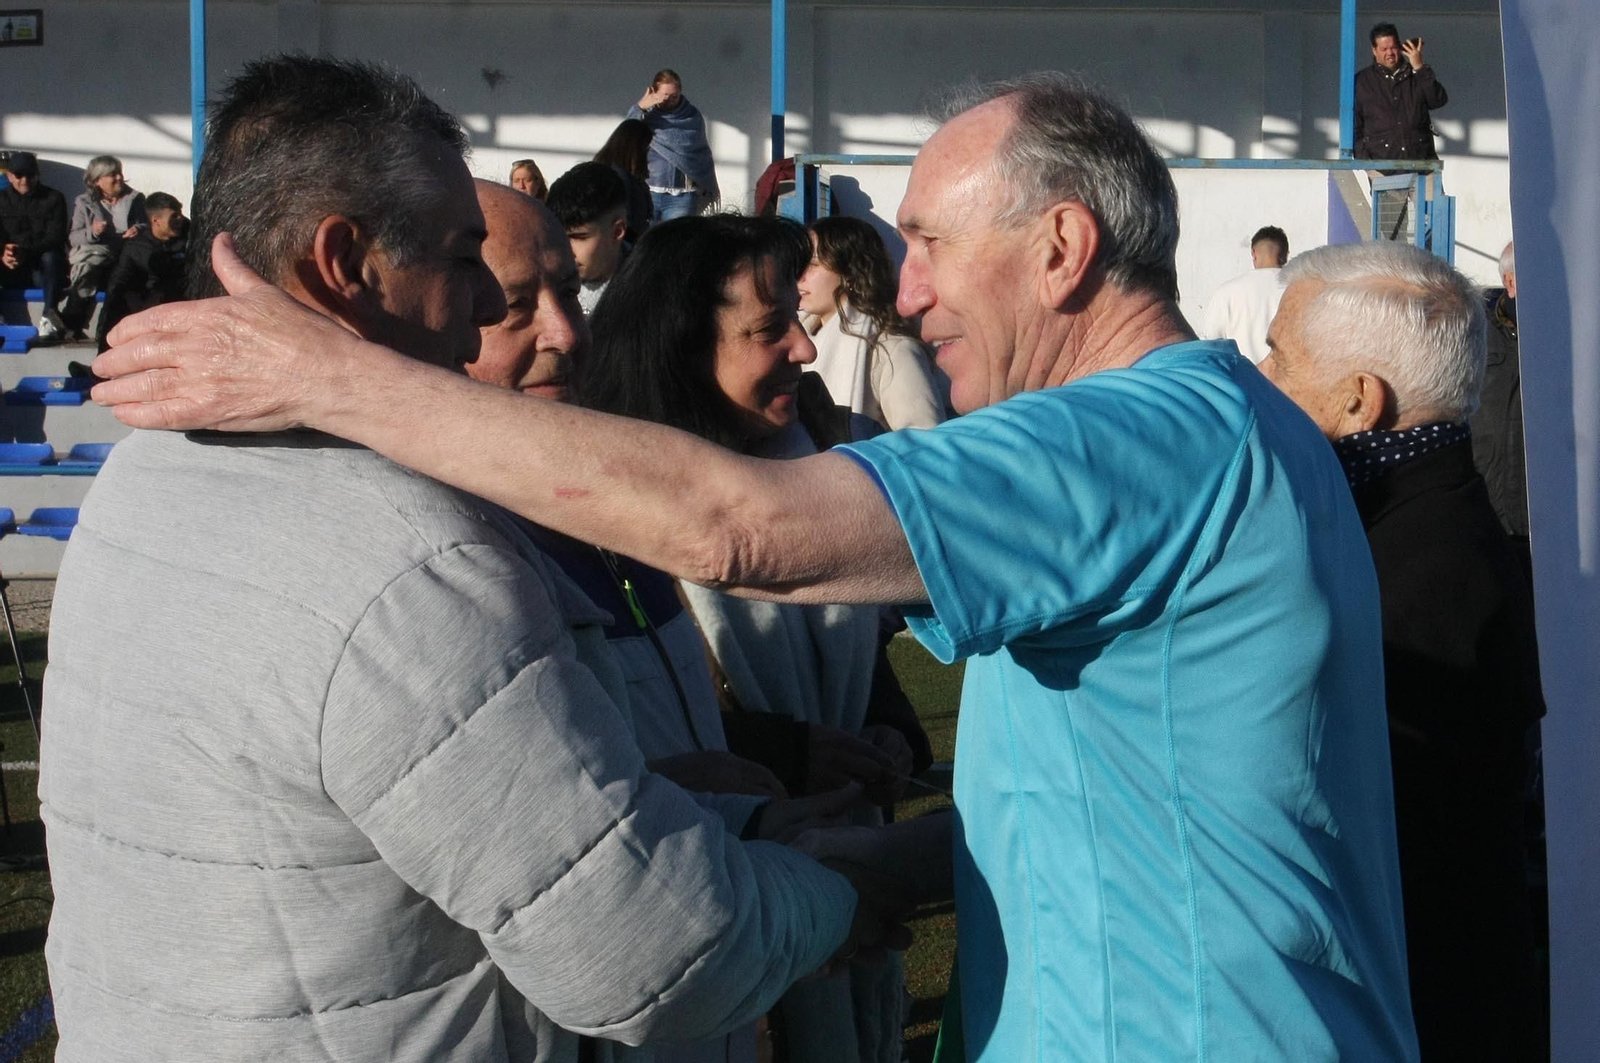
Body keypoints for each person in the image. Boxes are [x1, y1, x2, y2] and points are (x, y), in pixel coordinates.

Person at [94, 70, 1420, 1061]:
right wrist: (802, 846)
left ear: (1063, 247)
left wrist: (335, 378)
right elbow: (1086, 810)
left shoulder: (1139, 437)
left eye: (934, 241)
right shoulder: (1203, 429)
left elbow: (748, 532)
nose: (905, 291)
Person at [44, 55, 905, 1063]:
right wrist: (832, 897)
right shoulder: (410, 559)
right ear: (342, 261)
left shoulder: (145, 473)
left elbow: (344, 827)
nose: (498, 320)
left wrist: (667, 805)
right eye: (465, 265)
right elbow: (650, 954)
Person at [577, 213, 931, 1063]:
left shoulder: (812, 466)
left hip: (823, 887)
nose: (806, 351)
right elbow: (617, 735)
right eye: (770, 330)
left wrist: (883, 733)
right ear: (680, 348)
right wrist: (795, 750)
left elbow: (852, 655)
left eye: (799, 323)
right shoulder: (607, 519)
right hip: (715, 927)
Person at [1261, 240, 1546, 1062]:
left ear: (1359, 401)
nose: (1260, 371)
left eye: (1281, 353)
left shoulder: (1413, 573)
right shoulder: (1401, 526)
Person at [798, 215, 946, 430]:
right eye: (799, 264)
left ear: (849, 273)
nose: (799, 276)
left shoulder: (891, 348)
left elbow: (923, 439)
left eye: (812, 265)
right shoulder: (797, 343)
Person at [1470, 240, 1531, 557]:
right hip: (1488, 515)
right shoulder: (1474, 334)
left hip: (1548, 520)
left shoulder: (1572, 332)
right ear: (1511, 282)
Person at [64, 155, 149, 336]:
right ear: (97, 180)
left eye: (119, 173)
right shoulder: (84, 202)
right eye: (112, 174)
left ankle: (106, 331)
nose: (119, 178)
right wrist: (92, 232)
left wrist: (138, 229)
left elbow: (146, 224)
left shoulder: (135, 199)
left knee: (120, 278)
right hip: (99, 254)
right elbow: (74, 237)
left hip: (125, 254)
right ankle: (72, 324)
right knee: (87, 269)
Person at [93, 191, 187, 351]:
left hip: (179, 303)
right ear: (155, 220)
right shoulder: (137, 246)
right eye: (174, 216)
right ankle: (102, 366)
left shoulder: (190, 237)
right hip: (146, 306)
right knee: (119, 300)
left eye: (180, 213)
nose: (180, 220)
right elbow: (118, 282)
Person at [627, 69, 719, 221]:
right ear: (654, 92)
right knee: (648, 241)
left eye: (674, 96)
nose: (670, 100)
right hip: (649, 191)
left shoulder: (691, 116)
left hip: (682, 195)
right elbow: (626, 134)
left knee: (675, 242)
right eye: (665, 95)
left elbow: (699, 153)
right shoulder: (645, 115)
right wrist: (640, 107)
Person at [1354, 23, 1448, 164]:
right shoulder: (1362, 81)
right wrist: (1368, 164)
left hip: (1423, 163)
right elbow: (1355, 124)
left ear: (1400, 46)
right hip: (1383, 168)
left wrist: (1420, 68)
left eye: (1393, 47)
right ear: (1374, 50)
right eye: (1384, 49)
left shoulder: (1416, 74)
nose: (1390, 53)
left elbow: (1437, 100)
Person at [0, 151, 69, 342]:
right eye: (19, 175)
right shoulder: (1, 200)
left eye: (30, 175)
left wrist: (25, 251)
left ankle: (49, 315)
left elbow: (56, 237)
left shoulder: (54, 198)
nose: (24, 180)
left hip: (41, 268)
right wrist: (3, 253)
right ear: (9, 176)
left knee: (51, 257)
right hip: (9, 266)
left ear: (37, 175)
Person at [546, 162, 630, 317]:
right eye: (558, 236)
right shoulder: (541, 282)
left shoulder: (650, 291)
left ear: (617, 231)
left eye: (578, 237)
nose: (565, 250)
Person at [1197, 224, 1287, 365]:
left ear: (1253, 253)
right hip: (1289, 384)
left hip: (1242, 382)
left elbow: (1210, 345)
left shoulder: (1226, 292)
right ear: (1286, 255)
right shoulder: (1300, 290)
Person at [593, 118, 655, 243]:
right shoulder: (618, 178)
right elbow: (625, 220)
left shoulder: (626, 175)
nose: (648, 154)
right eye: (646, 149)